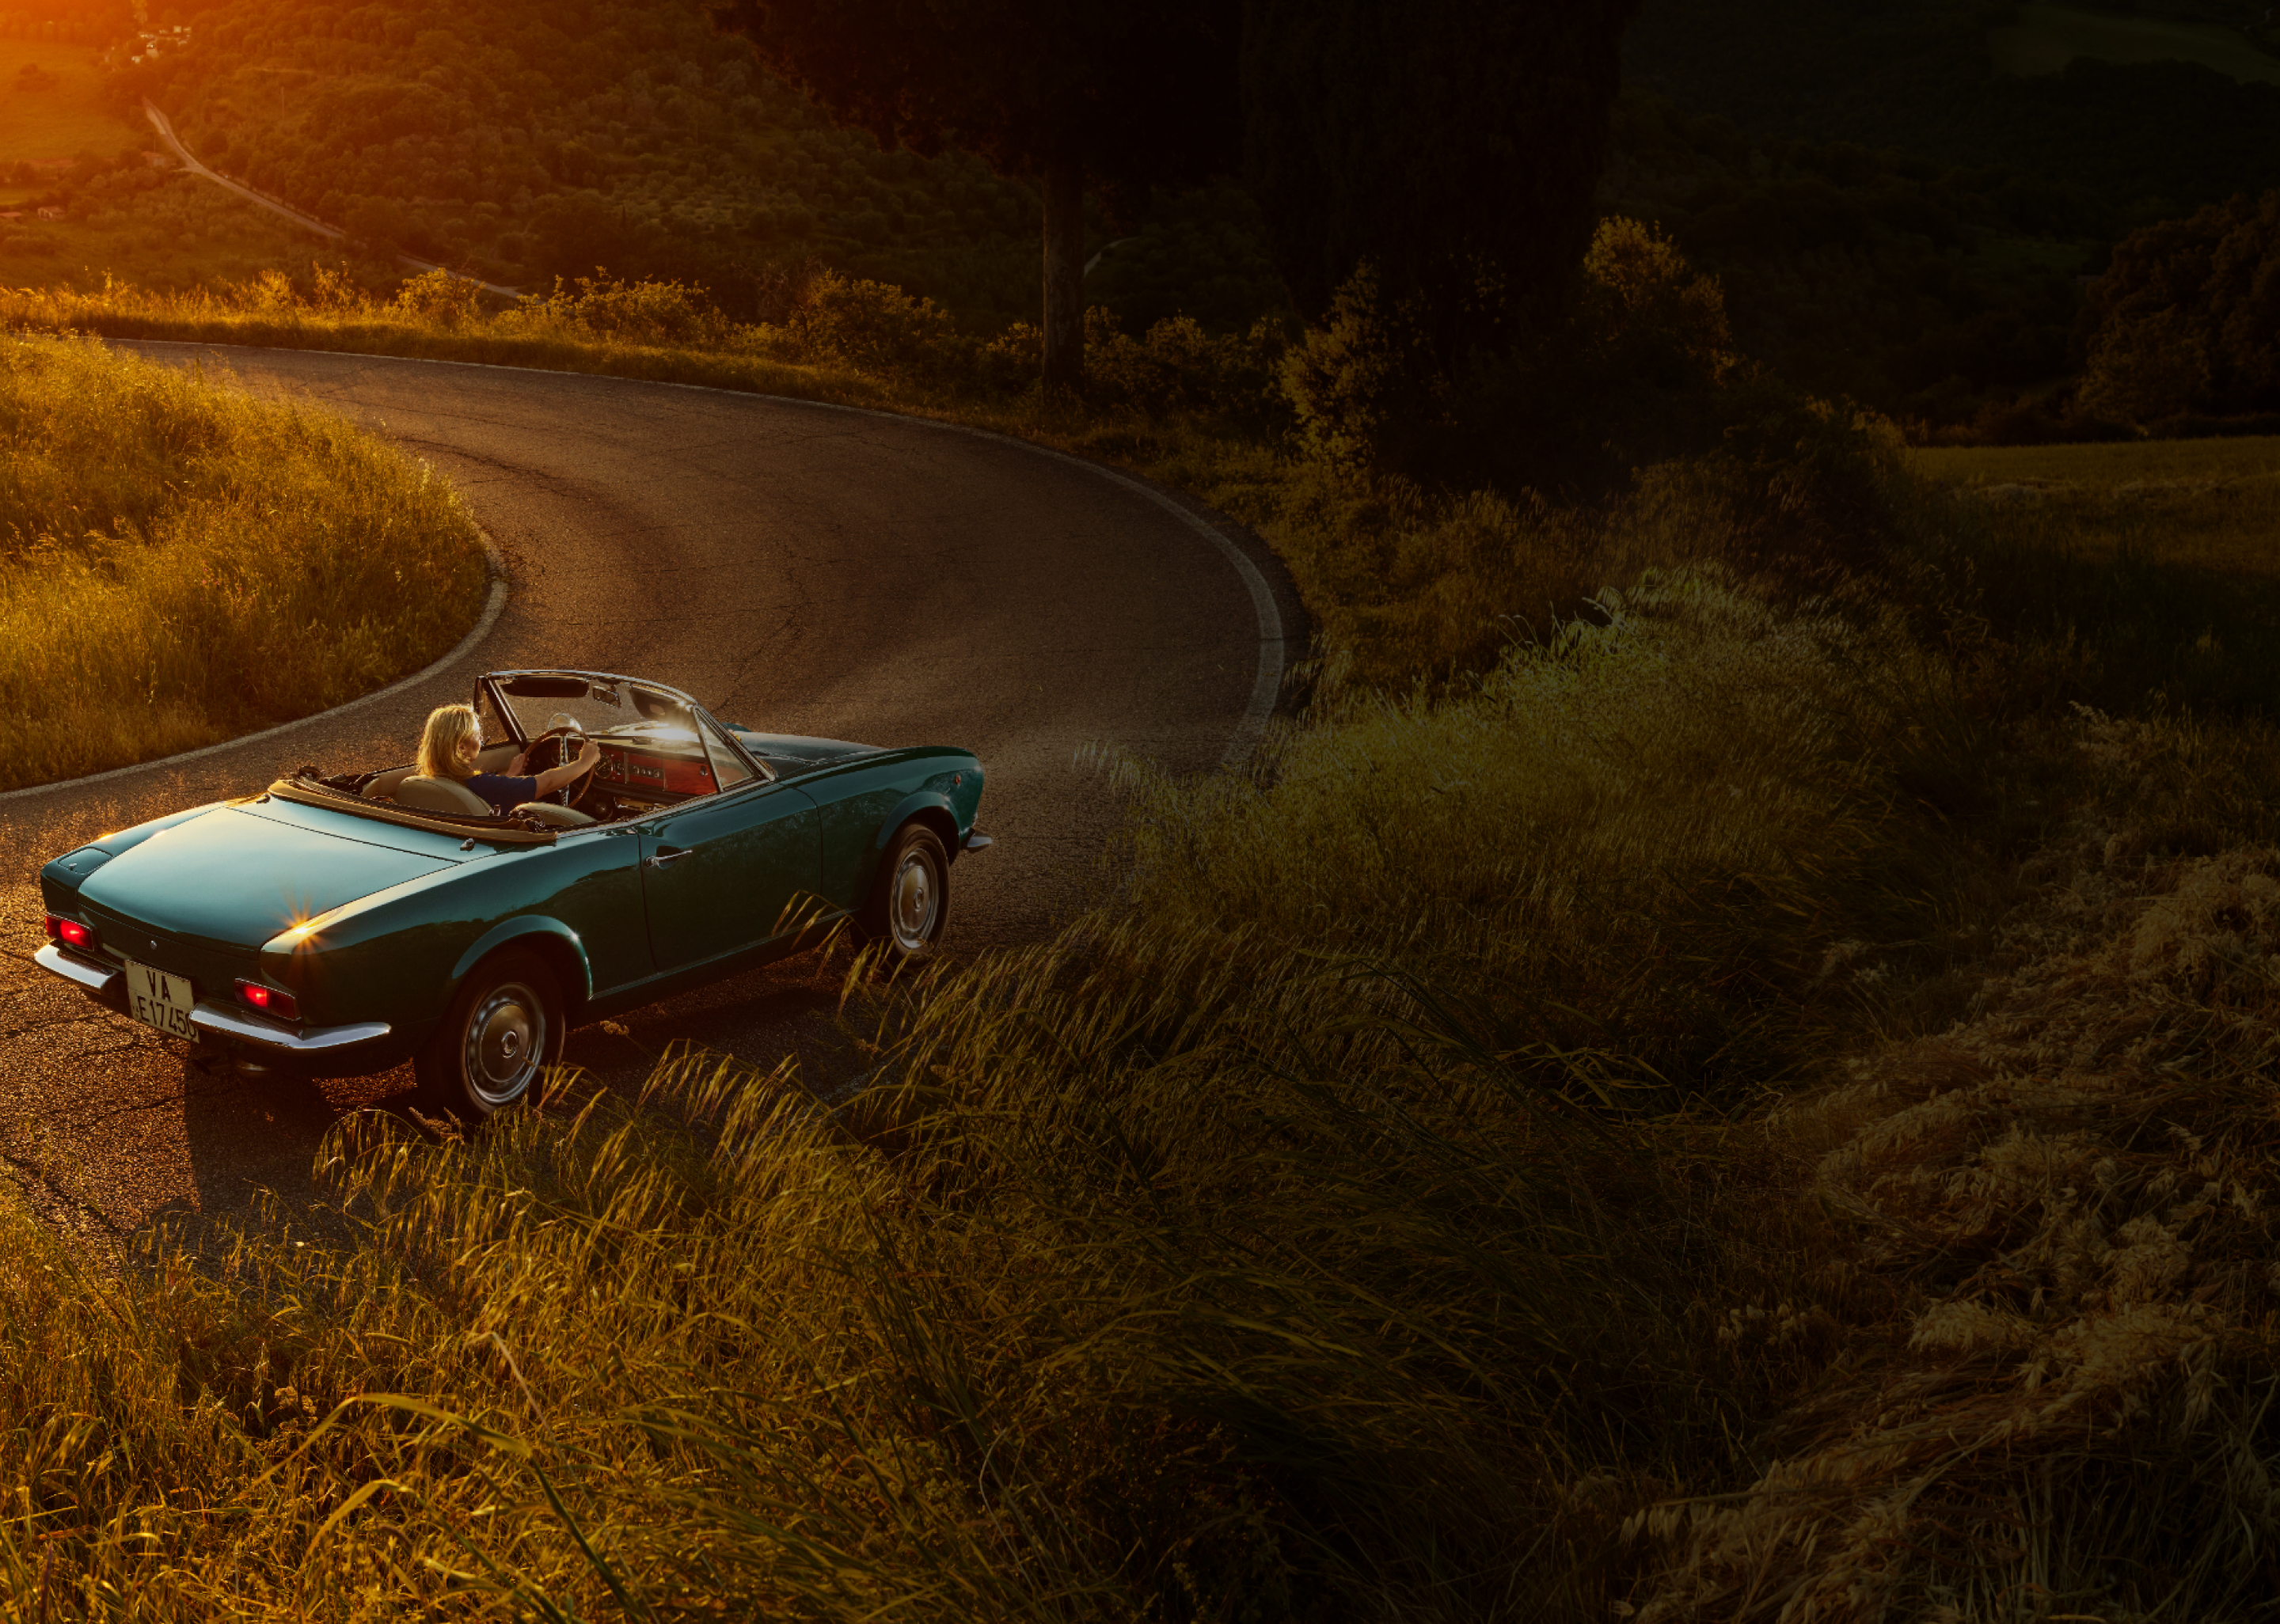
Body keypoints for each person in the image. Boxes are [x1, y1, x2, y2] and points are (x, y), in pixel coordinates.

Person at [416, 703, 599, 815]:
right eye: (477, 735)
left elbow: (497, 792)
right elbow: (546, 783)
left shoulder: (432, 782)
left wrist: (510, 775)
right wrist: (584, 762)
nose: (481, 740)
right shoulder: (480, 784)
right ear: (461, 747)